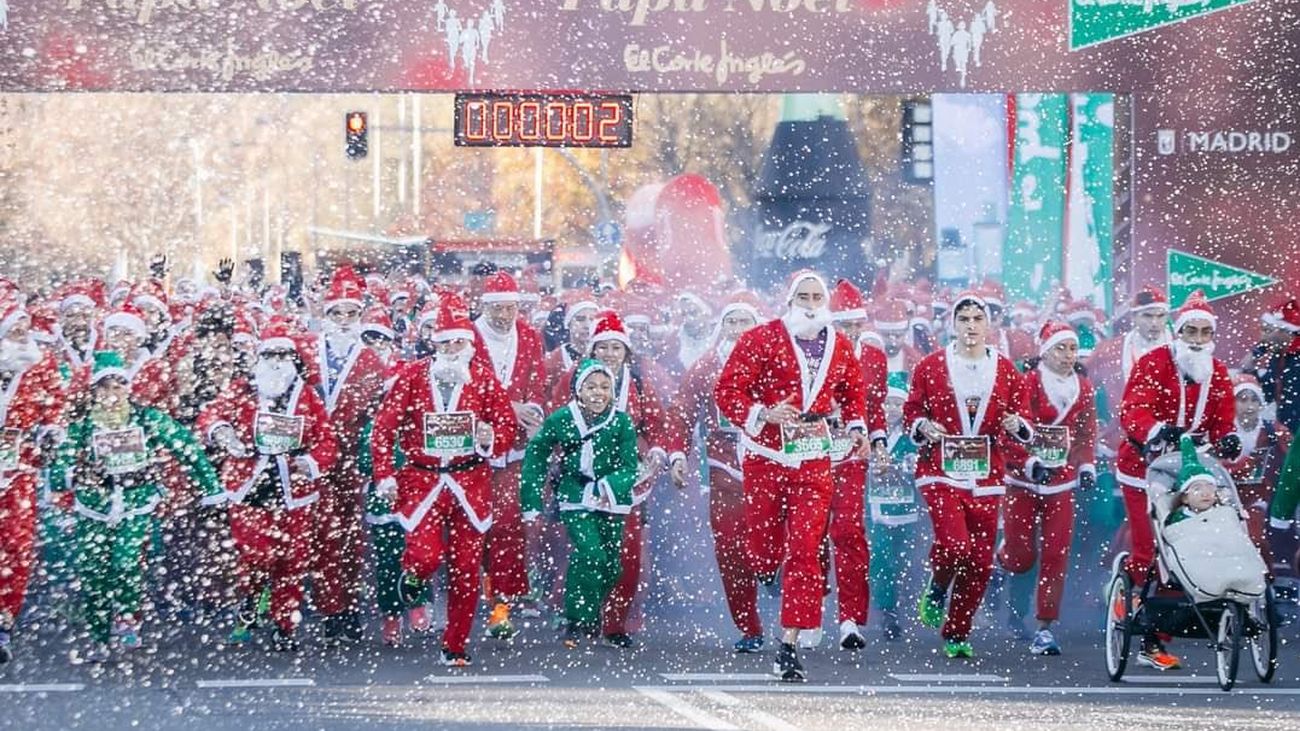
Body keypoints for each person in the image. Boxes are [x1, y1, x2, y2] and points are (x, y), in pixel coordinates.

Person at [714, 271, 872, 682]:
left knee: (805, 548)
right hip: (765, 455)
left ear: (826, 302)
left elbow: (853, 392)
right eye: (802, 295)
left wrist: (857, 427)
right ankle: (767, 568)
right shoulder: (761, 338)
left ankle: (788, 644)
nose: (809, 302)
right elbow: (728, 390)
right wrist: (762, 413)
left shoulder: (838, 345)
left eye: (816, 296)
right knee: (764, 547)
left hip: (813, 456)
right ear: (788, 299)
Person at [370, 301, 516, 667]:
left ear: (469, 345)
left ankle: (455, 644)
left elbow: (506, 429)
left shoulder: (483, 378)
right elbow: (384, 428)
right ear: (434, 345)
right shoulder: (414, 376)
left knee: (466, 570)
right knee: (425, 555)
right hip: (423, 481)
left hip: (470, 482)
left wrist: (489, 437)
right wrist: (385, 474)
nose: (451, 351)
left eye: (458, 344)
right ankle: (414, 576)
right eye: (445, 344)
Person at [51, 352, 222, 663]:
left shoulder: (146, 419)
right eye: (104, 389)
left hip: (135, 504)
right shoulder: (81, 428)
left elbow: (187, 448)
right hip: (94, 508)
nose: (112, 396)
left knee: (127, 564)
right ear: (93, 393)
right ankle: (99, 633)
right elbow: (57, 473)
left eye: (117, 388)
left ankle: (128, 619)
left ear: (127, 389)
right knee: (94, 572)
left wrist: (211, 488)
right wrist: (77, 474)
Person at [904, 291, 1033, 659]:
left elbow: (1023, 418)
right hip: (940, 469)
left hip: (986, 471)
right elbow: (913, 411)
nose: (971, 326)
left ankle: (957, 631)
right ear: (953, 325)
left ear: (989, 325)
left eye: (978, 319)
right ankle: (938, 587)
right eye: (964, 320)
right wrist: (924, 426)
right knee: (955, 545)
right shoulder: (930, 366)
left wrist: (1015, 423)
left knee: (980, 561)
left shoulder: (1006, 369)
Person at [199, 320, 339, 652]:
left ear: (294, 359)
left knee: (292, 560)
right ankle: (251, 596)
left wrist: (312, 461)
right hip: (250, 483)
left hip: (294, 487)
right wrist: (224, 434)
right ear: (260, 357)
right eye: (271, 354)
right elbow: (211, 416)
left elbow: (327, 440)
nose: (277, 361)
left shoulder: (307, 396)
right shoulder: (243, 389)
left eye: (284, 355)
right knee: (254, 553)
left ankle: (285, 625)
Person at [1117, 290, 1237, 671]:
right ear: (1178, 331)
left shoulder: (1216, 371)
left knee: (1195, 544)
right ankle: (1140, 616)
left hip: (1192, 474)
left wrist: (1227, 438)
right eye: (1191, 331)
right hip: (1144, 469)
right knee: (1152, 548)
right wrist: (1156, 430)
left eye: (1204, 332)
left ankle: (1172, 625)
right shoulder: (1154, 362)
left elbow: (1223, 420)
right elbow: (1133, 409)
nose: (1197, 340)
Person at [550, 310, 671, 648]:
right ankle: (581, 615)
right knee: (586, 551)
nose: (608, 355)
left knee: (627, 553)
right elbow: (556, 422)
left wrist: (656, 452)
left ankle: (616, 621)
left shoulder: (640, 382)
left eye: (616, 348)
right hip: (582, 481)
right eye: (601, 348)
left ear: (627, 352)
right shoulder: (573, 378)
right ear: (591, 351)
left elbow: (658, 424)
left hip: (626, 483)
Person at [666, 292, 765, 652]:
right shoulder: (706, 367)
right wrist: (678, 455)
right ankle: (749, 626)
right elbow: (680, 414)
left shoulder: (778, 365)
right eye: (731, 322)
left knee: (775, 547)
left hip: (771, 467)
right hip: (724, 469)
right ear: (721, 327)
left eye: (745, 322)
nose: (738, 330)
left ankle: (787, 601)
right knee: (731, 550)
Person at [521, 359, 640, 648]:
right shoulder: (562, 419)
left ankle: (591, 609)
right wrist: (531, 499)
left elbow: (630, 466)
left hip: (612, 500)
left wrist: (609, 487)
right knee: (590, 553)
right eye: (591, 387)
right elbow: (536, 456)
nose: (598, 393)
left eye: (604, 387)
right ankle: (578, 617)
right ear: (578, 390)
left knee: (612, 566)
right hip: (574, 495)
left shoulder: (622, 421)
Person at [998, 321, 1098, 656]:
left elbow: (1085, 436)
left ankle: (1044, 626)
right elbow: (1008, 432)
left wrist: (1085, 467)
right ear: (1045, 351)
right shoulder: (1026, 383)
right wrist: (1028, 463)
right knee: (1022, 555)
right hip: (1022, 482)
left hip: (1061, 483)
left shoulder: (1084, 389)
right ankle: (1006, 568)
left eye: (1072, 348)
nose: (1068, 355)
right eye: (1061, 348)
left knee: (1056, 554)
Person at [306, 267, 387, 645]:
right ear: (326, 314)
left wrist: (371, 459)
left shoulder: (371, 360)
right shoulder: (306, 349)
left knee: (351, 536)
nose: (342, 321)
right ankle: (328, 607)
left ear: (360, 316)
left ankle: (348, 607)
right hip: (310, 458)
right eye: (336, 314)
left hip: (351, 459)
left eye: (350, 314)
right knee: (321, 536)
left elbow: (377, 415)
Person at [473, 272, 547, 639]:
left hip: (514, 448)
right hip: (474, 448)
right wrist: (507, 407)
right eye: (498, 308)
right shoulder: (468, 338)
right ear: (484, 307)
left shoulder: (530, 337)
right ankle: (467, 598)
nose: (504, 315)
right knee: (474, 527)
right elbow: (465, 389)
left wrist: (531, 413)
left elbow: (537, 383)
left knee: (507, 526)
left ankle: (500, 606)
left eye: (510, 307)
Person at [0, 298, 66, 664]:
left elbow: (54, 406)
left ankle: (4, 622)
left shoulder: (40, 366)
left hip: (19, 469)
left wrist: (50, 434)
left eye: (24, 326)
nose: (22, 333)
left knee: (16, 546)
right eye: (14, 328)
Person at [823, 278, 888, 650]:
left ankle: (850, 618)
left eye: (855, 325)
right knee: (811, 533)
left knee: (849, 532)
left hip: (851, 453)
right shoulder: (811, 352)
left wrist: (878, 441)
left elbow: (875, 406)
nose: (849, 332)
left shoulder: (873, 357)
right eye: (842, 325)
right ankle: (812, 601)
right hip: (812, 453)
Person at [868, 373, 921, 641]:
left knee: (905, 562)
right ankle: (887, 611)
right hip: (876, 510)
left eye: (897, 404)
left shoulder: (913, 436)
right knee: (881, 560)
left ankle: (903, 606)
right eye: (886, 403)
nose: (891, 409)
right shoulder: (870, 434)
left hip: (907, 511)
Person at [1221, 374, 1291, 575]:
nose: (1249, 406)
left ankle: (1265, 580)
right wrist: (1247, 463)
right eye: (1242, 400)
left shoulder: (1271, 430)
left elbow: (1293, 453)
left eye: (1254, 400)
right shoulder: (1223, 430)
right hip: (1224, 498)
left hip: (1257, 498)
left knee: (1254, 539)